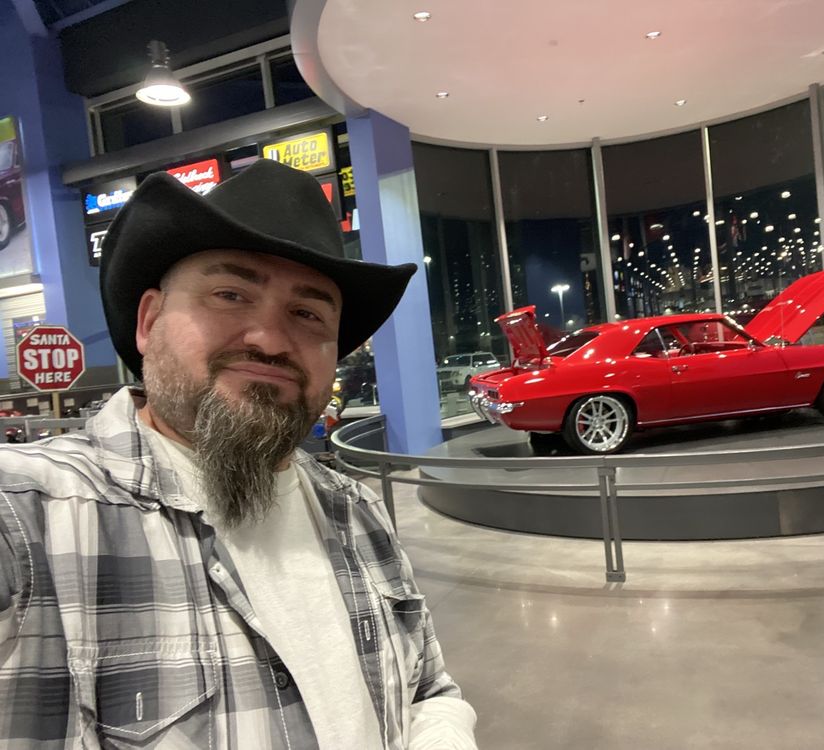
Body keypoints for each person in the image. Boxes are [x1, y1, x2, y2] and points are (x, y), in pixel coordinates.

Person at [0, 159, 477, 749]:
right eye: (230, 295)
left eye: (307, 314)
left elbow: (426, 689)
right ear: (149, 321)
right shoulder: (30, 514)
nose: (270, 340)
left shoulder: (356, 510)